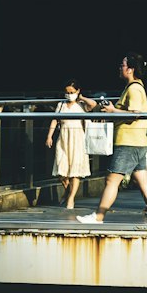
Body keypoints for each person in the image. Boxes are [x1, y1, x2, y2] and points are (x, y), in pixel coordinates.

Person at [78, 53, 147, 225]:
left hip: (128, 140)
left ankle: (99, 216)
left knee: (112, 180)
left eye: (122, 65)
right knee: (144, 182)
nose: (120, 68)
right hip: (138, 140)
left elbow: (136, 114)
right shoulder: (136, 87)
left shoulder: (134, 89)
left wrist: (112, 111)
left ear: (130, 69)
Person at [45, 80, 97, 209]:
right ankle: (68, 192)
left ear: (77, 91)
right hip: (63, 137)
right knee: (61, 169)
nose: (69, 95)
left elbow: (94, 105)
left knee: (75, 170)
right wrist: (49, 136)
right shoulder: (61, 105)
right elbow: (55, 120)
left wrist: (81, 97)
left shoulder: (81, 105)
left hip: (78, 137)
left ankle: (71, 198)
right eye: (67, 93)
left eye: (72, 92)